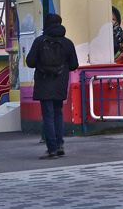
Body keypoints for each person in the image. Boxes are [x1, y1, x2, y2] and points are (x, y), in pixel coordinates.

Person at [25, 13, 81, 159]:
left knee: (47, 115)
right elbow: (74, 65)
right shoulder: (67, 43)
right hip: (60, 83)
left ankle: (51, 149)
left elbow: (30, 62)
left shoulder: (39, 41)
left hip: (44, 82)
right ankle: (60, 144)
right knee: (58, 113)